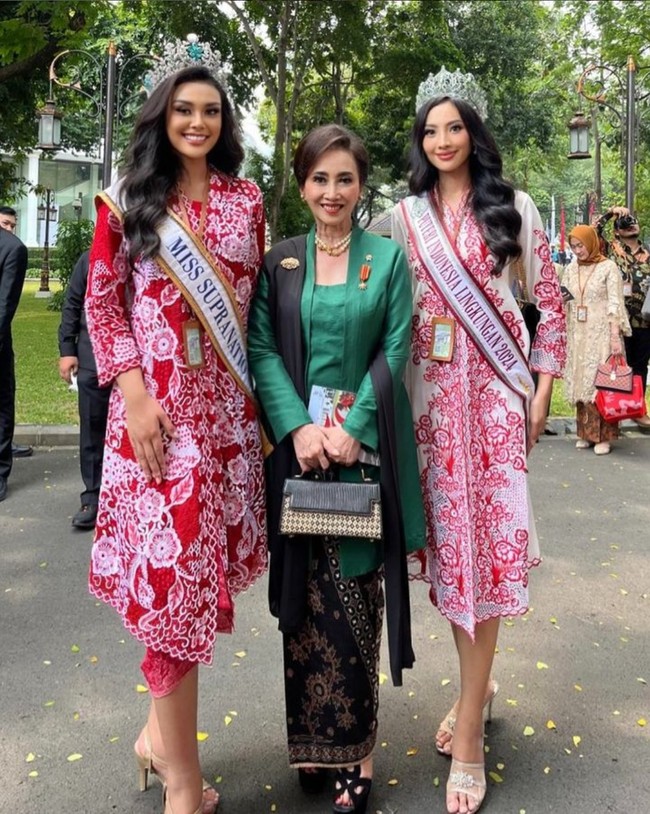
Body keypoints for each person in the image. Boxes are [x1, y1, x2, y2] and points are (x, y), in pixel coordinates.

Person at [85, 62, 267, 814]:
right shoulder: (128, 202)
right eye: (184, 110)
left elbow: (252, 312)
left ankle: (155, 741)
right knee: (172, 594)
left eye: (212, 112)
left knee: (191, 593)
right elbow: (103, 307)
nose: (198, 123)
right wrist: (131, 395)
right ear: (162, 116)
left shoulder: (245, 200)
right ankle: (183, 785)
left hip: (223, 421)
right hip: (156, 426)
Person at [391, 68, 566, 814]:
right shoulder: (403, 218)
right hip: (428, 411)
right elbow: (371, 298)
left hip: (495, 406)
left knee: (487, 555)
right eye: (431, 129)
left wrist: (543, 388)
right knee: (451, 557)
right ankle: (480, 687)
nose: (442, 140)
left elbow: (548, 306)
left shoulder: (514, 207)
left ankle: (469, 735)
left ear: (474, 133)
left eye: (454, 126)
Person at [248, 123, 425, 814]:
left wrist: (351, 431)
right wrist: (297, 426)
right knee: (303, 606)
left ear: (360, 185)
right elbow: (261, 345)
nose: (332, 191)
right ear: (302, 184)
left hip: (358, 462)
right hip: (299, 458)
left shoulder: (385, 259)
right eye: (319, 178)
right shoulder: (280, 262)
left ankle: (358, 754)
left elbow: (397, 342)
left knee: (356, 603)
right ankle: (309, 744)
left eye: (344, 178)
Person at [562, 225, 630, 455]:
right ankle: (586, 433)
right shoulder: (571, 269)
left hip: (601, 332)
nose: (577, 250)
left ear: (591, 242)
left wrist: (614, 336)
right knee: (582, 379)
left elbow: (615, 303)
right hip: (578, 332)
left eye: (580, 245)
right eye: (573, 247)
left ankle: (604, 437)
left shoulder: (608, 268)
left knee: (601, 381)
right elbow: (564, 296)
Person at [58, 250, 111, 529]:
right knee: (92, 426)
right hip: (93, 356)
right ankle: (92, 496)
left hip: (138, 363)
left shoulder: (146, 253)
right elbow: (72, 303)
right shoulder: (91, 257)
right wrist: (67, 349)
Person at [594, 205, 650, 432]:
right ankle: (614, 410)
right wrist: (611, 213)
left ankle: (637, 409)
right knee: (615, 366)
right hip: (617, 319)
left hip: (644, 320)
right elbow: (593, 231)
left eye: (633, 222)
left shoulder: (647, 253)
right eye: (625, 224)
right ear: (616, 231)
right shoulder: (611, 249)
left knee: (639, 366)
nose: (631, 225)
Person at [0, 205, 33, 459]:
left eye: (12, 225)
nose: (10, 230)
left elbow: (6, 304)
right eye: (4, 224)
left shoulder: (14, 249)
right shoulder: (14, 248)